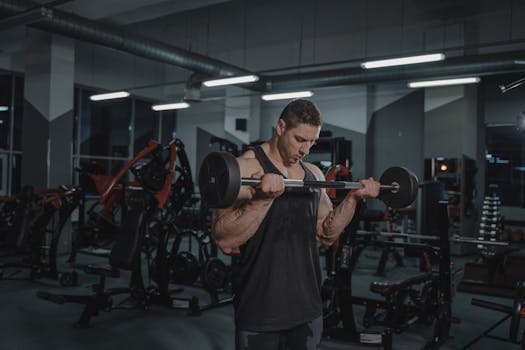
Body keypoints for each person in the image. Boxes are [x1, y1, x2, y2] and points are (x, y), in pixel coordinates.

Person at [211, 99, 380, 350]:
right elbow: (224, 240)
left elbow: (326, 234)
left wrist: (353, 199)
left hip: (308, 309)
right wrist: (262, 200)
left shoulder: (314, 174)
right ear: (280, 127)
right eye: (300, 139)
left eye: (312, 142)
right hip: (260, 309)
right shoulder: (243, 168)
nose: (306, 150)